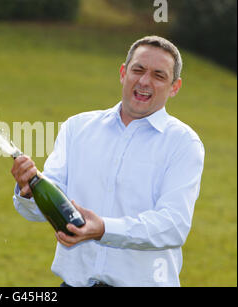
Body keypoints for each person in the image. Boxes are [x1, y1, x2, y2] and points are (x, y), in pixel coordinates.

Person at [11, 36, 205, 287]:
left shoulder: (183, 143)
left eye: (159, 75)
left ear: (174, 87)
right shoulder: (77, 128)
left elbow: (172, 225)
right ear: (123, 73)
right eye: (138, 70)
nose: (145, 81)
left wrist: (104, 229)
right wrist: (28, 189)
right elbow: (46, 207)